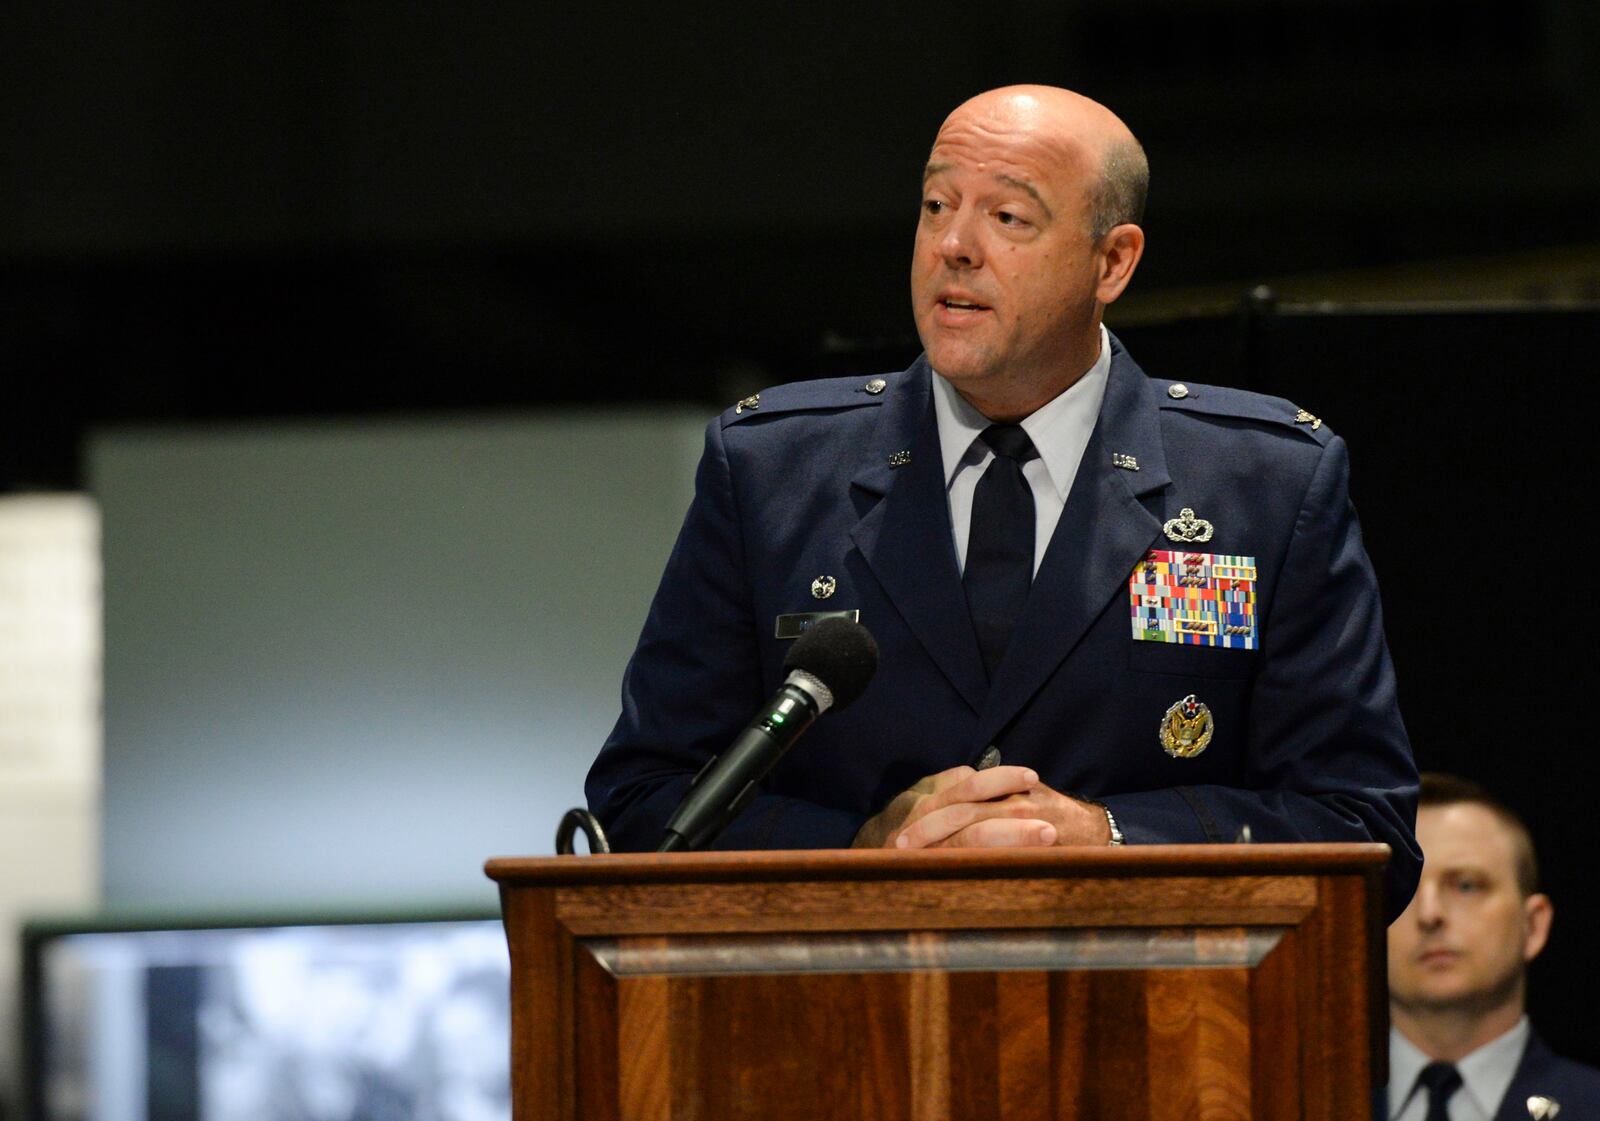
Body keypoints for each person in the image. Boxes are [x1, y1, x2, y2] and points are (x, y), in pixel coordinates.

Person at [585, 84, 1420, 918]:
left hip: (1157, 1021)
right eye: (937, 203)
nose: (952, 244)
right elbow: (644, 800)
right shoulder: (770, 468)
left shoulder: (1264, 483)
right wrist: (861, 850)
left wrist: (1110, 838)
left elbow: (1363, 828)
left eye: (1009, 218)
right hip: (852, 1021)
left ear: (1113, 262)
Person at [1379, 774, 1600, 1120]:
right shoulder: (1299, 1107)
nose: (1429, 913)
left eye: (1466, 886)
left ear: (1533, 926)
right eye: (1403, 890)